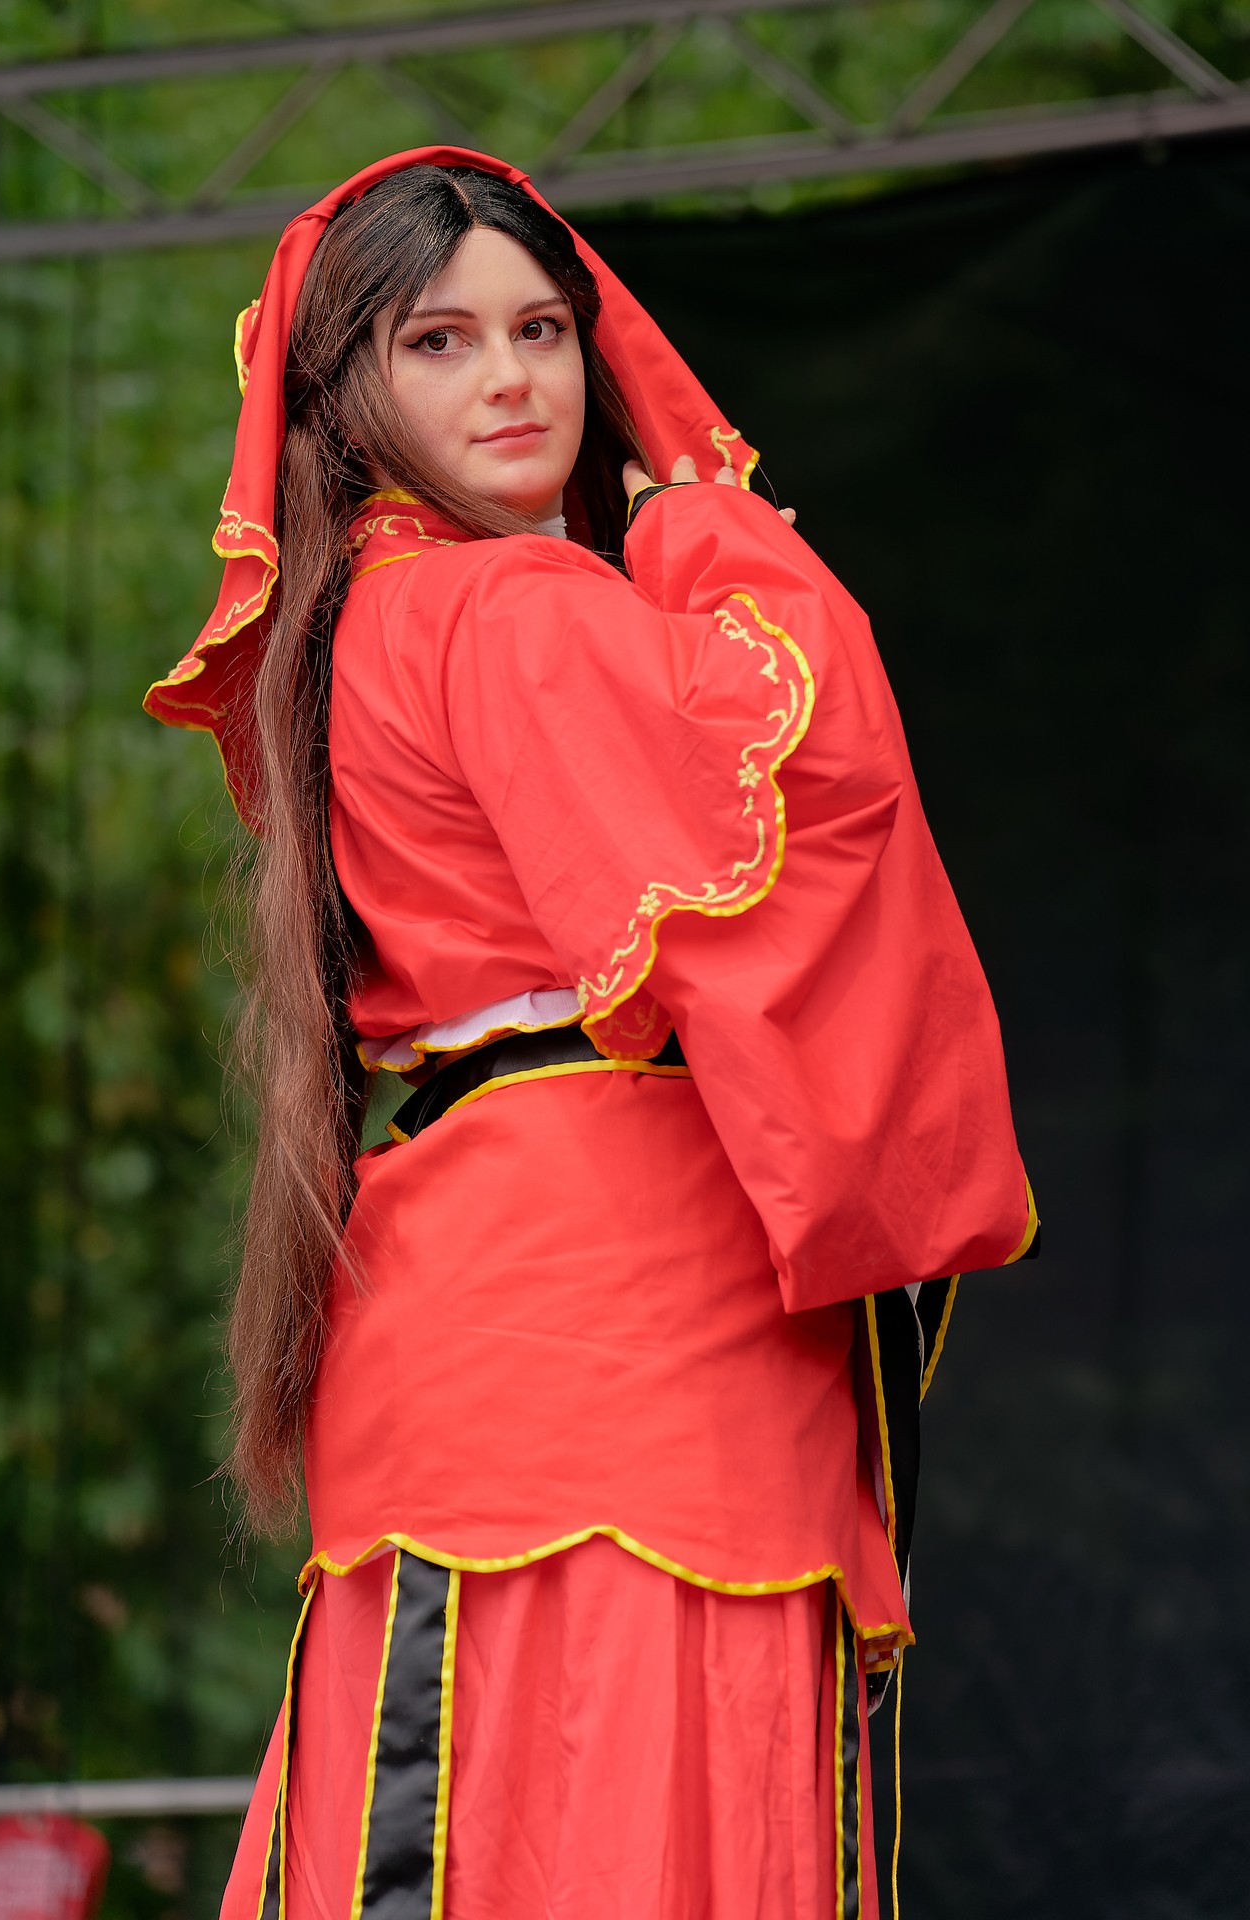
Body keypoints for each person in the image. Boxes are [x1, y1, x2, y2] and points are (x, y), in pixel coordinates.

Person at [146, 147, 1036, 1920]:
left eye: (543, 330)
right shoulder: (509, 606)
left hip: (503, 1306)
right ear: (344, 394)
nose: (512, 380)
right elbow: (810, 760)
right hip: (618, 1323)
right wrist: (701, 516)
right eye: (440, 341)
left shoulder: (367, 621)